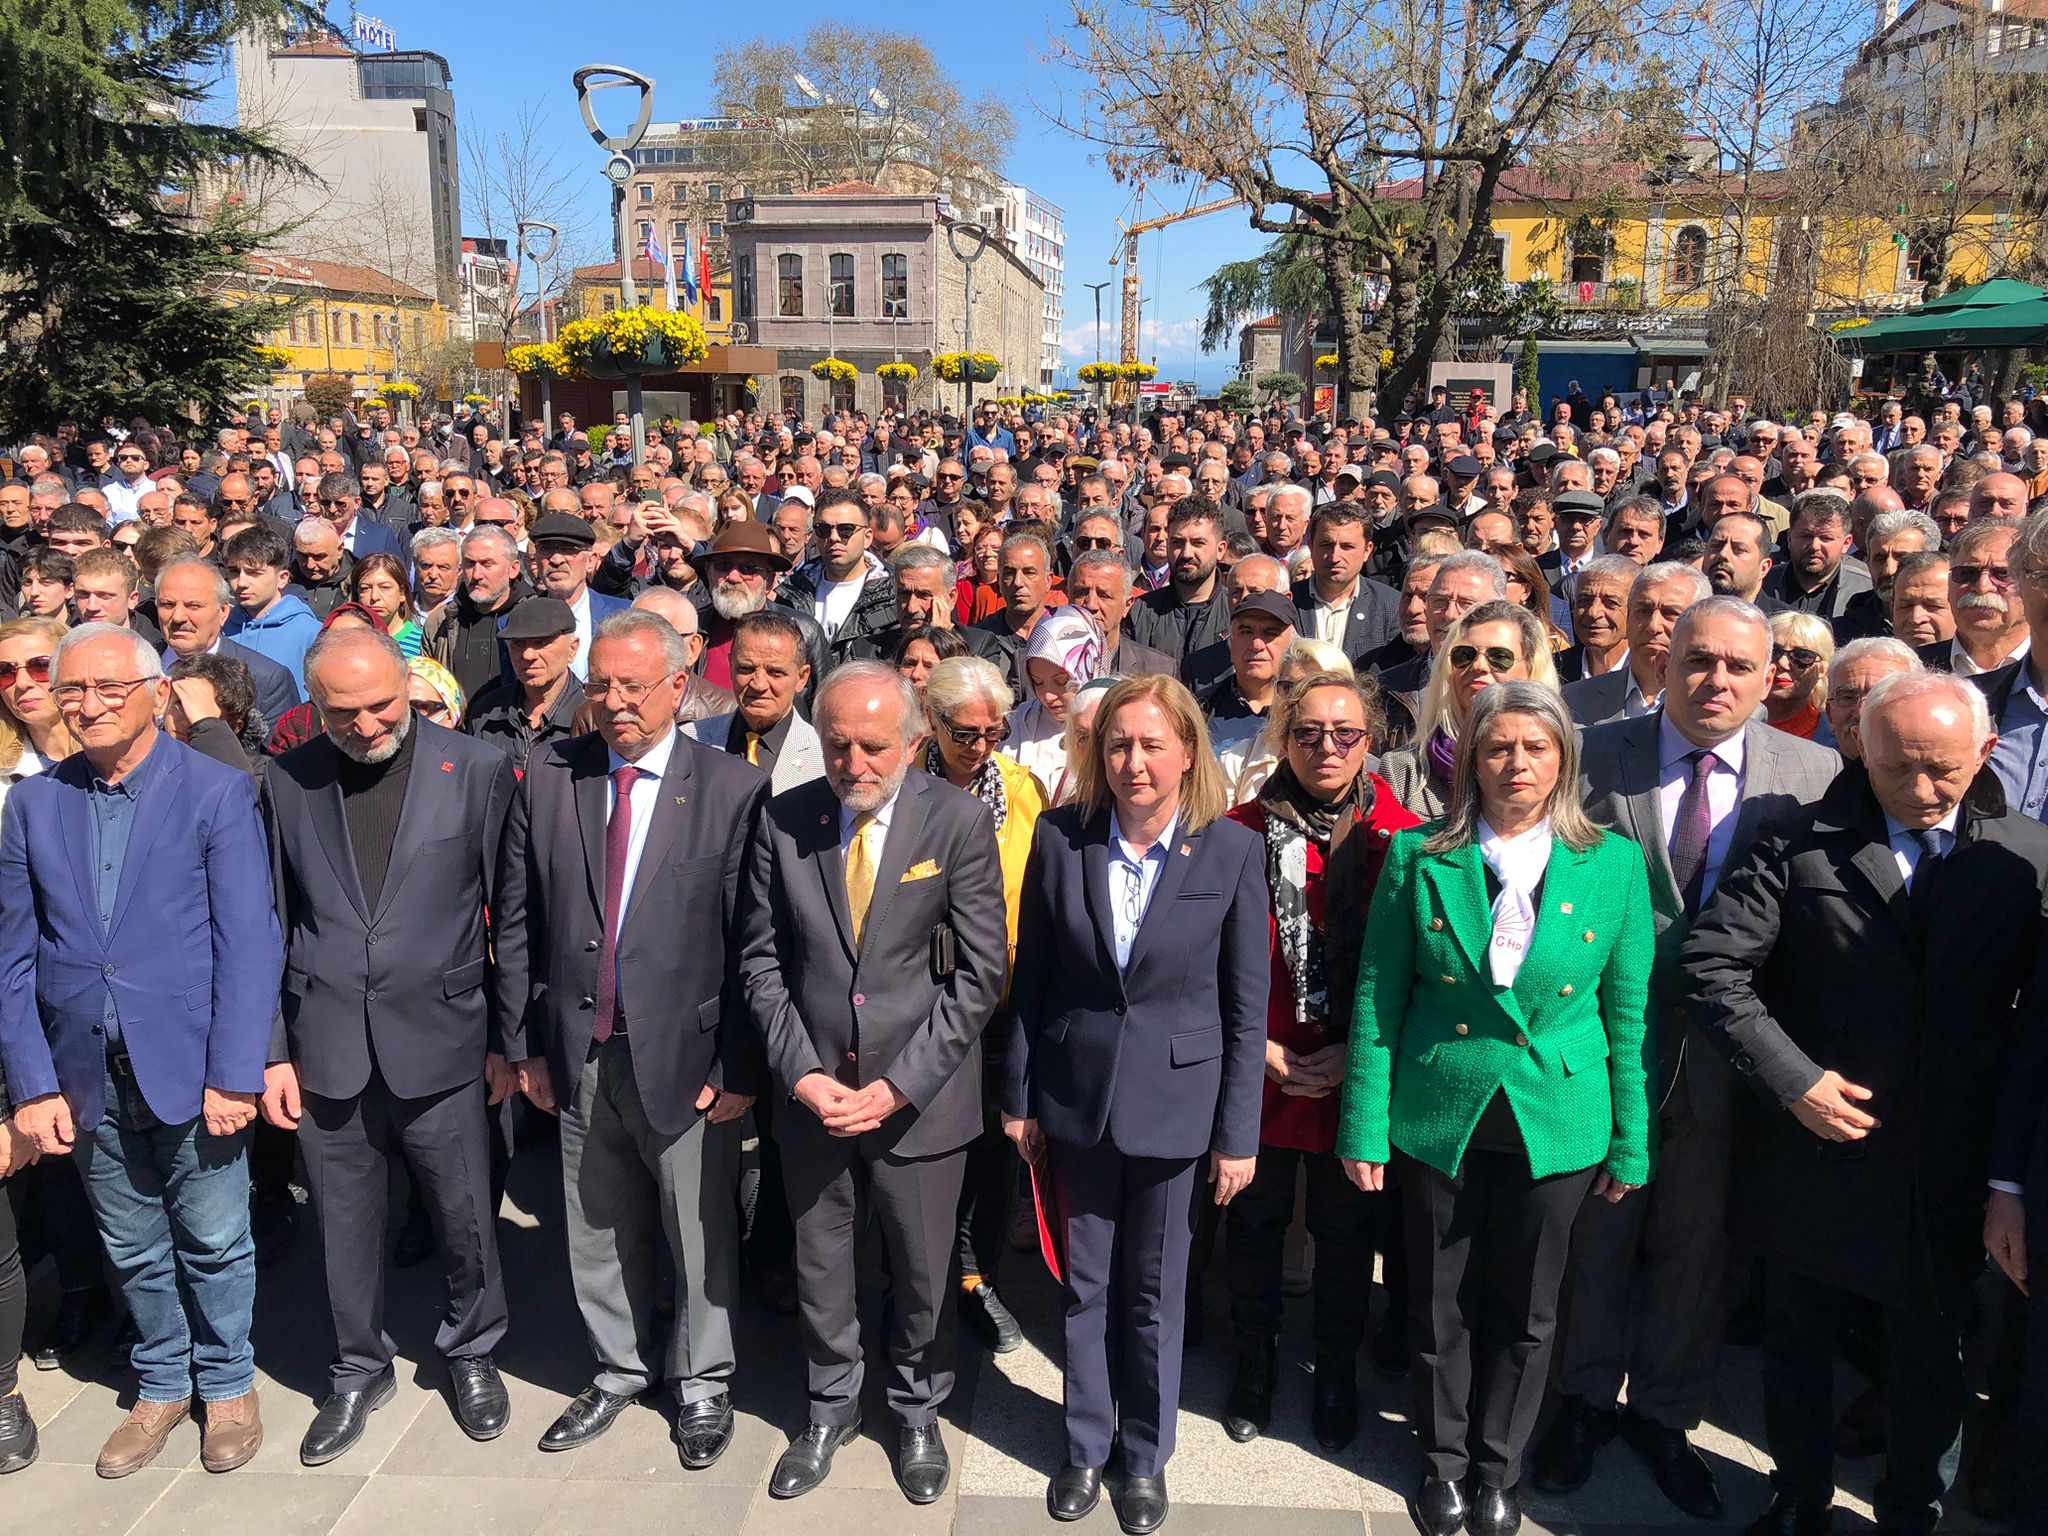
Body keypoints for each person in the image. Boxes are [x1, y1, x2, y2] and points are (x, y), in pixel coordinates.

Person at [1681, 671, 2048, 1536]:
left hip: (1949, 1163)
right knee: (1798, 1338)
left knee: (1932, 1348)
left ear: (1986, 753)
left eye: (1944, 771)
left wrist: (2009, 1179)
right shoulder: (1794, 839)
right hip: (1815, 1147)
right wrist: (1793, 1077)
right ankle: (1798, 1494)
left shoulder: (2025, 858)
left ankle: (1914, 1504)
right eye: (1900, 769)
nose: (1922, 791)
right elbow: (1713, 967)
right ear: (1860, 748)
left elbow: (2034, 1031)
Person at [1539, 598, 1839, 1520]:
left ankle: (1667, 1416)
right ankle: (1583, 1400)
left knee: (1697, 1246)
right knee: (1596, 1232)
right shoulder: (1594, 753)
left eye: (1739, 668)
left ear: (1768, 678)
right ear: (1663, 661)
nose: (1716, 682)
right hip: (1600, 1041)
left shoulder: (1813, 771)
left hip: (1728, 1056)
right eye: (1698, 661)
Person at [1338, 681, 1654, 1536]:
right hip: (1443, 1106)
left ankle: (1499, 1467)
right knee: (1440, 1302)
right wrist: (1363, 1125)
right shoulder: (1421, 857)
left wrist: (1632, 1143)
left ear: (1564, 760)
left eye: (1537, 747)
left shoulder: (1613, 864)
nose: (1518, 763)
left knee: (1529, 1308)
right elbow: (1379, 998)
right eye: (1498, 747)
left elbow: (1627, 1015)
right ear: (1470, 761)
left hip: (1558, 1113)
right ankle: (1441, 1463)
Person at [0, 623, 282, 1479]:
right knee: (130, 1240)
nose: (85, 704)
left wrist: (236, 1070)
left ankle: (228, 1382)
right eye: (71, 688)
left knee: (214, 1234)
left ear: (157, 692)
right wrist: (31, 1084)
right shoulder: (34, 802)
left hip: (193, 1068)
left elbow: (249, 941)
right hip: (83, 1074)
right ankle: (163, 1382)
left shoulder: (215, 793)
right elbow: (11, 958)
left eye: (106, 688)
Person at [494, 609, 771, 1467]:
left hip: (688, 1057)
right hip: (576, 1049)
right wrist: (525, 1045)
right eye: (603, 683)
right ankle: (619, 1368)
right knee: (595, 1219)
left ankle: (702, 1382)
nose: (613, 702)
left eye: (632, 686)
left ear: (678, 687)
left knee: (695, 1228)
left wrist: (738, 1064)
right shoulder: (549, 776)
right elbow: (517, 921)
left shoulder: (730, 788)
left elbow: (756, 943)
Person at [1002, 674, 1270, 1534]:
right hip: (1076, 1100)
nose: (1134, 761)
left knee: (1155, 1294)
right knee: (1084, 1287)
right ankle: (1084, 1446)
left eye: (1153, 743)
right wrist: (1019, 1098)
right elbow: (1032, 978)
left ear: (1187, 752)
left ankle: (1144, 1458)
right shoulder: (1060, 837)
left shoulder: (1228, 850)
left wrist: (1238, 1135)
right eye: (1119, 744)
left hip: (1179, 1111)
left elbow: (1243, 1005)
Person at [738, 663, 1008, 1506]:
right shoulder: (784, 819)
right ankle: (829, 1407)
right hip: (816, 1098)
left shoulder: (957, 822)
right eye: (838, 745)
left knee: (924, 1270)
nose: (854, 763)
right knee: (822, 1266)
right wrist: (802, 1072)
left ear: (916, 741)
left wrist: (898, 1087)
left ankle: (919, 1410)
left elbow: (980, 974)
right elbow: (761, 961)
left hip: (918, 1103)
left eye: (873, 746)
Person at [259, 626, 517, 1463]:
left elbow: (511, 914)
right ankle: (356, 1367)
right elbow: (269, 918)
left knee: (464, 1213)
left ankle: (472, 1349)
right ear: (315, 706)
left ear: (408, 687)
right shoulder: (287, 780)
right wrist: (271, 1051)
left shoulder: (472, 768)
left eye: (381, 706)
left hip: (443, 1035)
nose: (368, 726)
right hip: (325, 1037)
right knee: (342, 1221)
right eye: (345, 713)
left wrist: (509, 1040)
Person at [1221, 671, 1419, 1452]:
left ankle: (1335, 1368)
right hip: (1260, 1066)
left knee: (1346, 1237)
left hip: (1355, 1073)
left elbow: (1419, 971)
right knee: (1254, 1227)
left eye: (1345, 733)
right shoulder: (1234, 831)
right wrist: (1255, 1047)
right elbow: (1203, 961)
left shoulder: (1404, 838)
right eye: (1308, 733)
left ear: (1371, 741)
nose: (1327, 747)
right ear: (1283, 740)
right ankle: (1255, 1363)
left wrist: (1357, 1054)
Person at [920, 655, 1049, 1356]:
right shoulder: (905, 791)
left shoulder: (1025, 791)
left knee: (990, 1155)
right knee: (924, 1153)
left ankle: (976, 1277)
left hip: (1002, 1005)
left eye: (993, 733)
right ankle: (917, 1284)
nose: (979, 747)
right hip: (925, 1007)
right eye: (964, 734)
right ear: (932, 723)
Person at [1381, 602, 1558, 819]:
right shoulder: (1403, 770)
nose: (1479, 666)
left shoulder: (1565, 759)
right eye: (1465, 655)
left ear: (1532, 667)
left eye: (1499, 656)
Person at [155, 555, 301, 731]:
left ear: (223, 612)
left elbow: (277, 756)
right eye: (167, 605)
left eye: (193, 606)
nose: (178, 617)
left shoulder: (266, 679)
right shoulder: (135, 666)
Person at [684, 611, 823, 795]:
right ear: (731, 666)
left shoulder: (823, 757)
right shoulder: (688, 740)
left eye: (775, 672)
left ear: (802, 677)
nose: (758, 684)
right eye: (746, 669)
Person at [1561, 562, 1712, 727]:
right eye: (1643, 610)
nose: (1653, 625)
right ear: (1628, 618)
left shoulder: (1717, 703)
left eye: (1671, 613)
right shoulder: (1574, 700)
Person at [465, 597, 584, 773]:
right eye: (518, 644)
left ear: (572, 649)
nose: (528, 655)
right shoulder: (487, 713)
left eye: (541, 643)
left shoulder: (590, 716)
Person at [1004, 606, 1105, 799]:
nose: (1048, 696)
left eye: (1061, 682)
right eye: (1038, 683)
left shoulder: (1112, 726)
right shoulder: (1015, 726)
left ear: (1088, 669)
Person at [221, 524, 320, 692]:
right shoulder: (221, 626)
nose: (241, 583)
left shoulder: (310, 632)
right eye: (234, 572)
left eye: (254, 573)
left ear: (282, 578)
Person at [1764, 611, 1835, 739]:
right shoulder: (1728, 718)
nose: (1782, 663)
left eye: (1802, 656)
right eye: (1774, 651)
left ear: (1823, 670)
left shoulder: (1833, 736)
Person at [348, 552, 424, 660]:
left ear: (402, 593)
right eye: (365, 588)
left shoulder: (421, 643)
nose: (374, 597)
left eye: (385, 587)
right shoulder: (349, 639)